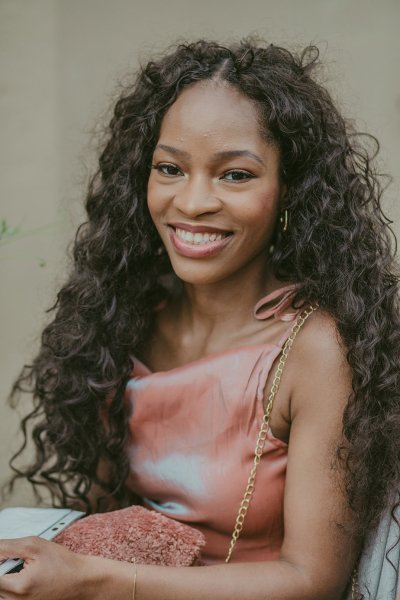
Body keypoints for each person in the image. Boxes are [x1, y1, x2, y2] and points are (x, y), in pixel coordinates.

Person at [1, 39, 399, 600]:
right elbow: (107, 526)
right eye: (169, 168)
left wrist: (93, 581)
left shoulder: (313, 348)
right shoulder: (122, 317)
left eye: (235, 175)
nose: (192, 202)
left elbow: (312, 581)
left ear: (290, 191)